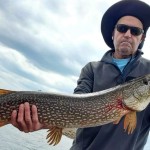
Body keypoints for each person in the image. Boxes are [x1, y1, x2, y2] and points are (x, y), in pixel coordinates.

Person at [10, 0, 150, 150]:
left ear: (141, 38)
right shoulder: (91, 69)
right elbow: (73, 106)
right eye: (122, 28)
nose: (128, 35)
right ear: (113, 33)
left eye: (135, 31)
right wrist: (42, 121)